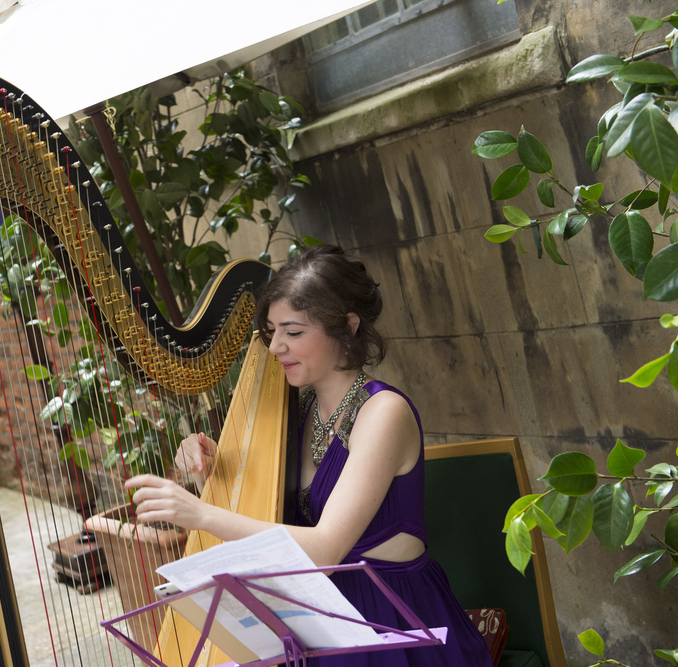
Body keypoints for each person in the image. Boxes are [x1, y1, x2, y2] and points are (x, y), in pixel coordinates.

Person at [125, 244, 491, 666]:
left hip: (390, 624)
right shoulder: (293, 413)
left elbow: (323, 551)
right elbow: (253, 504)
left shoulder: (384, 413)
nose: (276, 346)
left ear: (348, 327)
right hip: (312, 619)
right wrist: (204, 461)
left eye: (293, 332)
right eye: (271, 331)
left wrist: (200, 514)